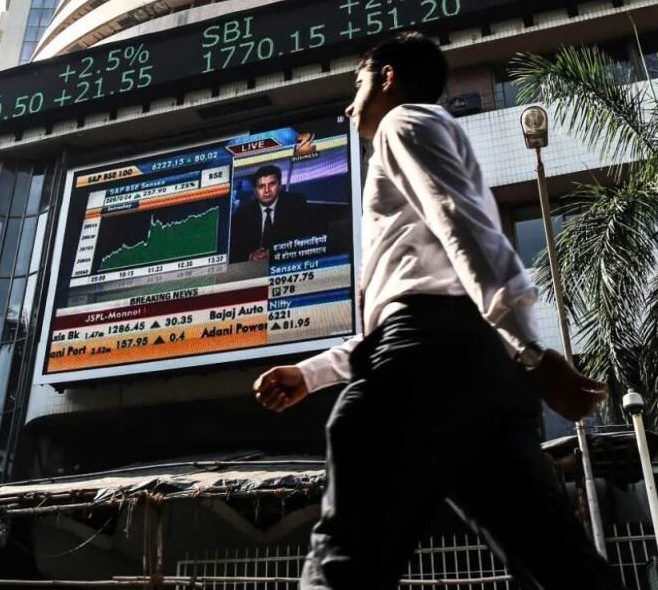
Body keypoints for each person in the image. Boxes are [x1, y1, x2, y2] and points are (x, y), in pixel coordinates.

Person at [253, 32, 623, 590]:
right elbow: (427, 299)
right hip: (477, 371)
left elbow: (458, 226)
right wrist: (311, 374)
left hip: (434, 361)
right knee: (560, 564)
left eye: (357, 85)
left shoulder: (402, 123)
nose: (350, 106)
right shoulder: (437, 138)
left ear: (387, 78)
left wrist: (531, 351)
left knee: (346, 555)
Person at [229, 164, 307, 262]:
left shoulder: (295, 204)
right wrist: (251, 256)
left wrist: (275, 253)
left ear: (280, 186)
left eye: (272, 184)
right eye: (261, 186)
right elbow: (234, 251)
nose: (267, 191)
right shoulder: (242, 214)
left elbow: (304, 240)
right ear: (255, 191)